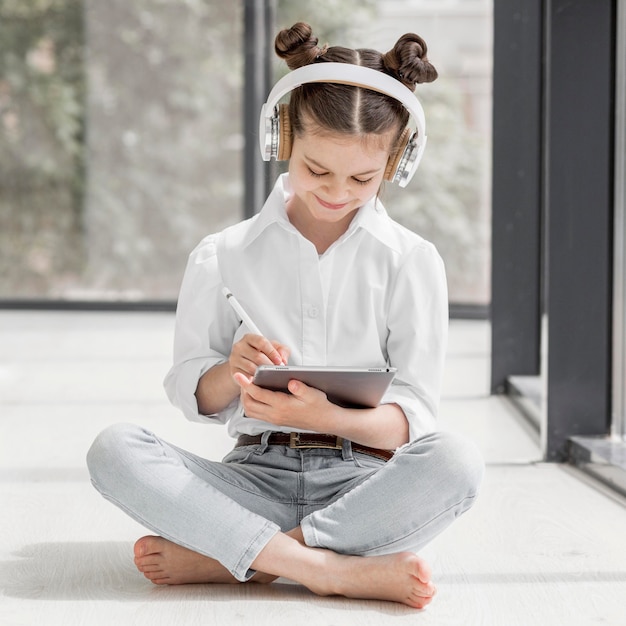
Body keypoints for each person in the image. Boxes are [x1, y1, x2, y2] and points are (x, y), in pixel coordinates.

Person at [87, 22, 484, 610]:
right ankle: (331, 569)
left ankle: (249, 558)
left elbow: (416, 416)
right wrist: (230, 372)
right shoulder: (222, 253)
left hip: (362, 484)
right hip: (253, 477)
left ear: (397, 163)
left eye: (363, 179)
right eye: (317, 169)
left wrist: (330, 417)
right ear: (283, 138)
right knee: (113, 449)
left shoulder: (413, 261)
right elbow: (188, 390)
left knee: (457, 461)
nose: (337, 192)